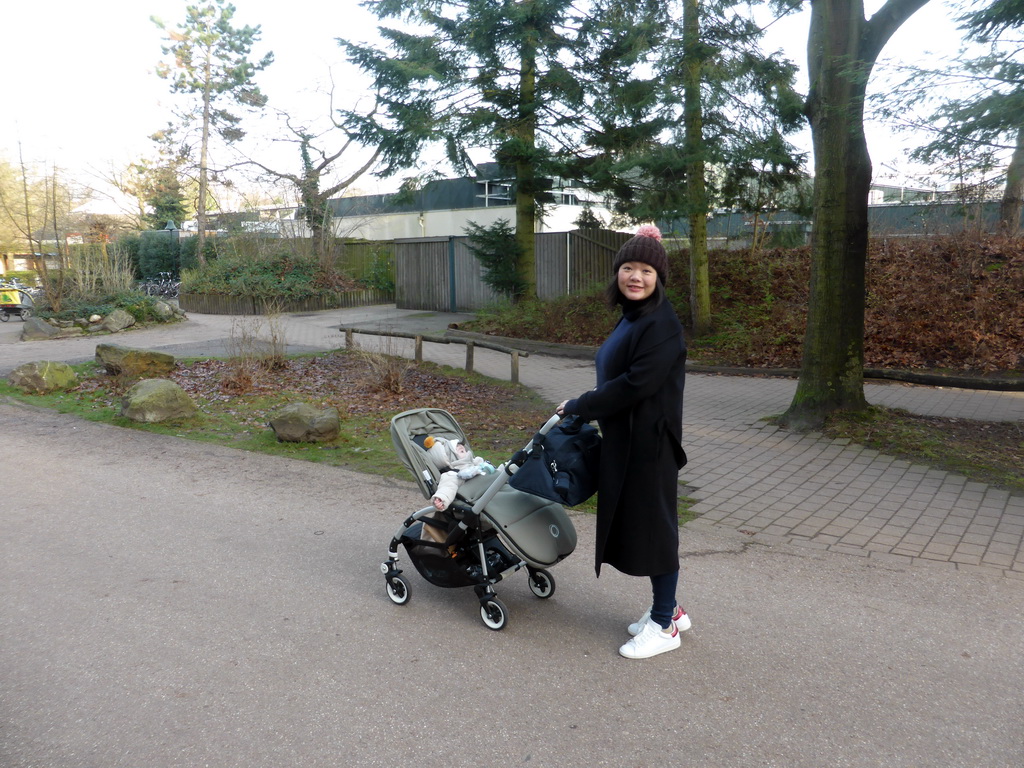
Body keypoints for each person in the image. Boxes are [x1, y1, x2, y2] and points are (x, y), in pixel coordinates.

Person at [556, 224, 689, 659]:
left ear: (659, 278)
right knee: (648, 528)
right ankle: (667, 610)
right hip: (628, 440)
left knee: (656, 533)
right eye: (628, 267)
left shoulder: (662, 324)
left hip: (649, 446)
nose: (636, 276)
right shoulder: (634, 316)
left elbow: (635, 384)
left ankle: (665, 624)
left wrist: (581, 405)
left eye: (647, 270)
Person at [422, 435, 496, 512]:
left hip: (494, 486)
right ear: (450, 459)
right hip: (482, 498)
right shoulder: (453, 474)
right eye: (460, 451)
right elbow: (448, 487)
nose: (461, 447)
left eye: (463, 449)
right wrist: (441, 499)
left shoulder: (475, 462)